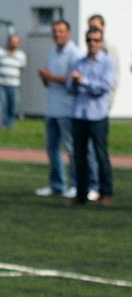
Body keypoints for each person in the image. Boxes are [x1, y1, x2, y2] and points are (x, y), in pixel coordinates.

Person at [65, 27, 115, 207]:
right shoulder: (79, 63)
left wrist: (83, 82)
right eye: (89, 40)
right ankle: (81, 193)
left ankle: (105, 192)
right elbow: (70, 88)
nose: (92, 44)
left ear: (101, 42)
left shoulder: (107, 63)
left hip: (98, 115)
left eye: (95, 40)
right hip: (79, 114)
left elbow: (104, 87)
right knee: (79, 156)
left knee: (101, 155)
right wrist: (74, 82)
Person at [35, 19, 81, 199]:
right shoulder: (52, 52)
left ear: (68, 33)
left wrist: (51, 77)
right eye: (55, 31)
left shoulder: (74, 53)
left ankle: (76, 184)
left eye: (61, 31)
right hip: (52, 107)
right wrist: (44, 78)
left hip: (68, 108)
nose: (57, 34)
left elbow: (73, 80)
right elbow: (49, 81)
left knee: (71, 149)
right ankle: (57, 185)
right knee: (52, 148)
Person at [0, 34, 26, 129]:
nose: (14, 45)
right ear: (8, 42)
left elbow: (22, 68)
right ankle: (0, 124)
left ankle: (10, 125)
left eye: (16, 43)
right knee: (2, 104)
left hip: (13, 84)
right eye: (12, 42)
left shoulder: (21, 55)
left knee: (12, 105)